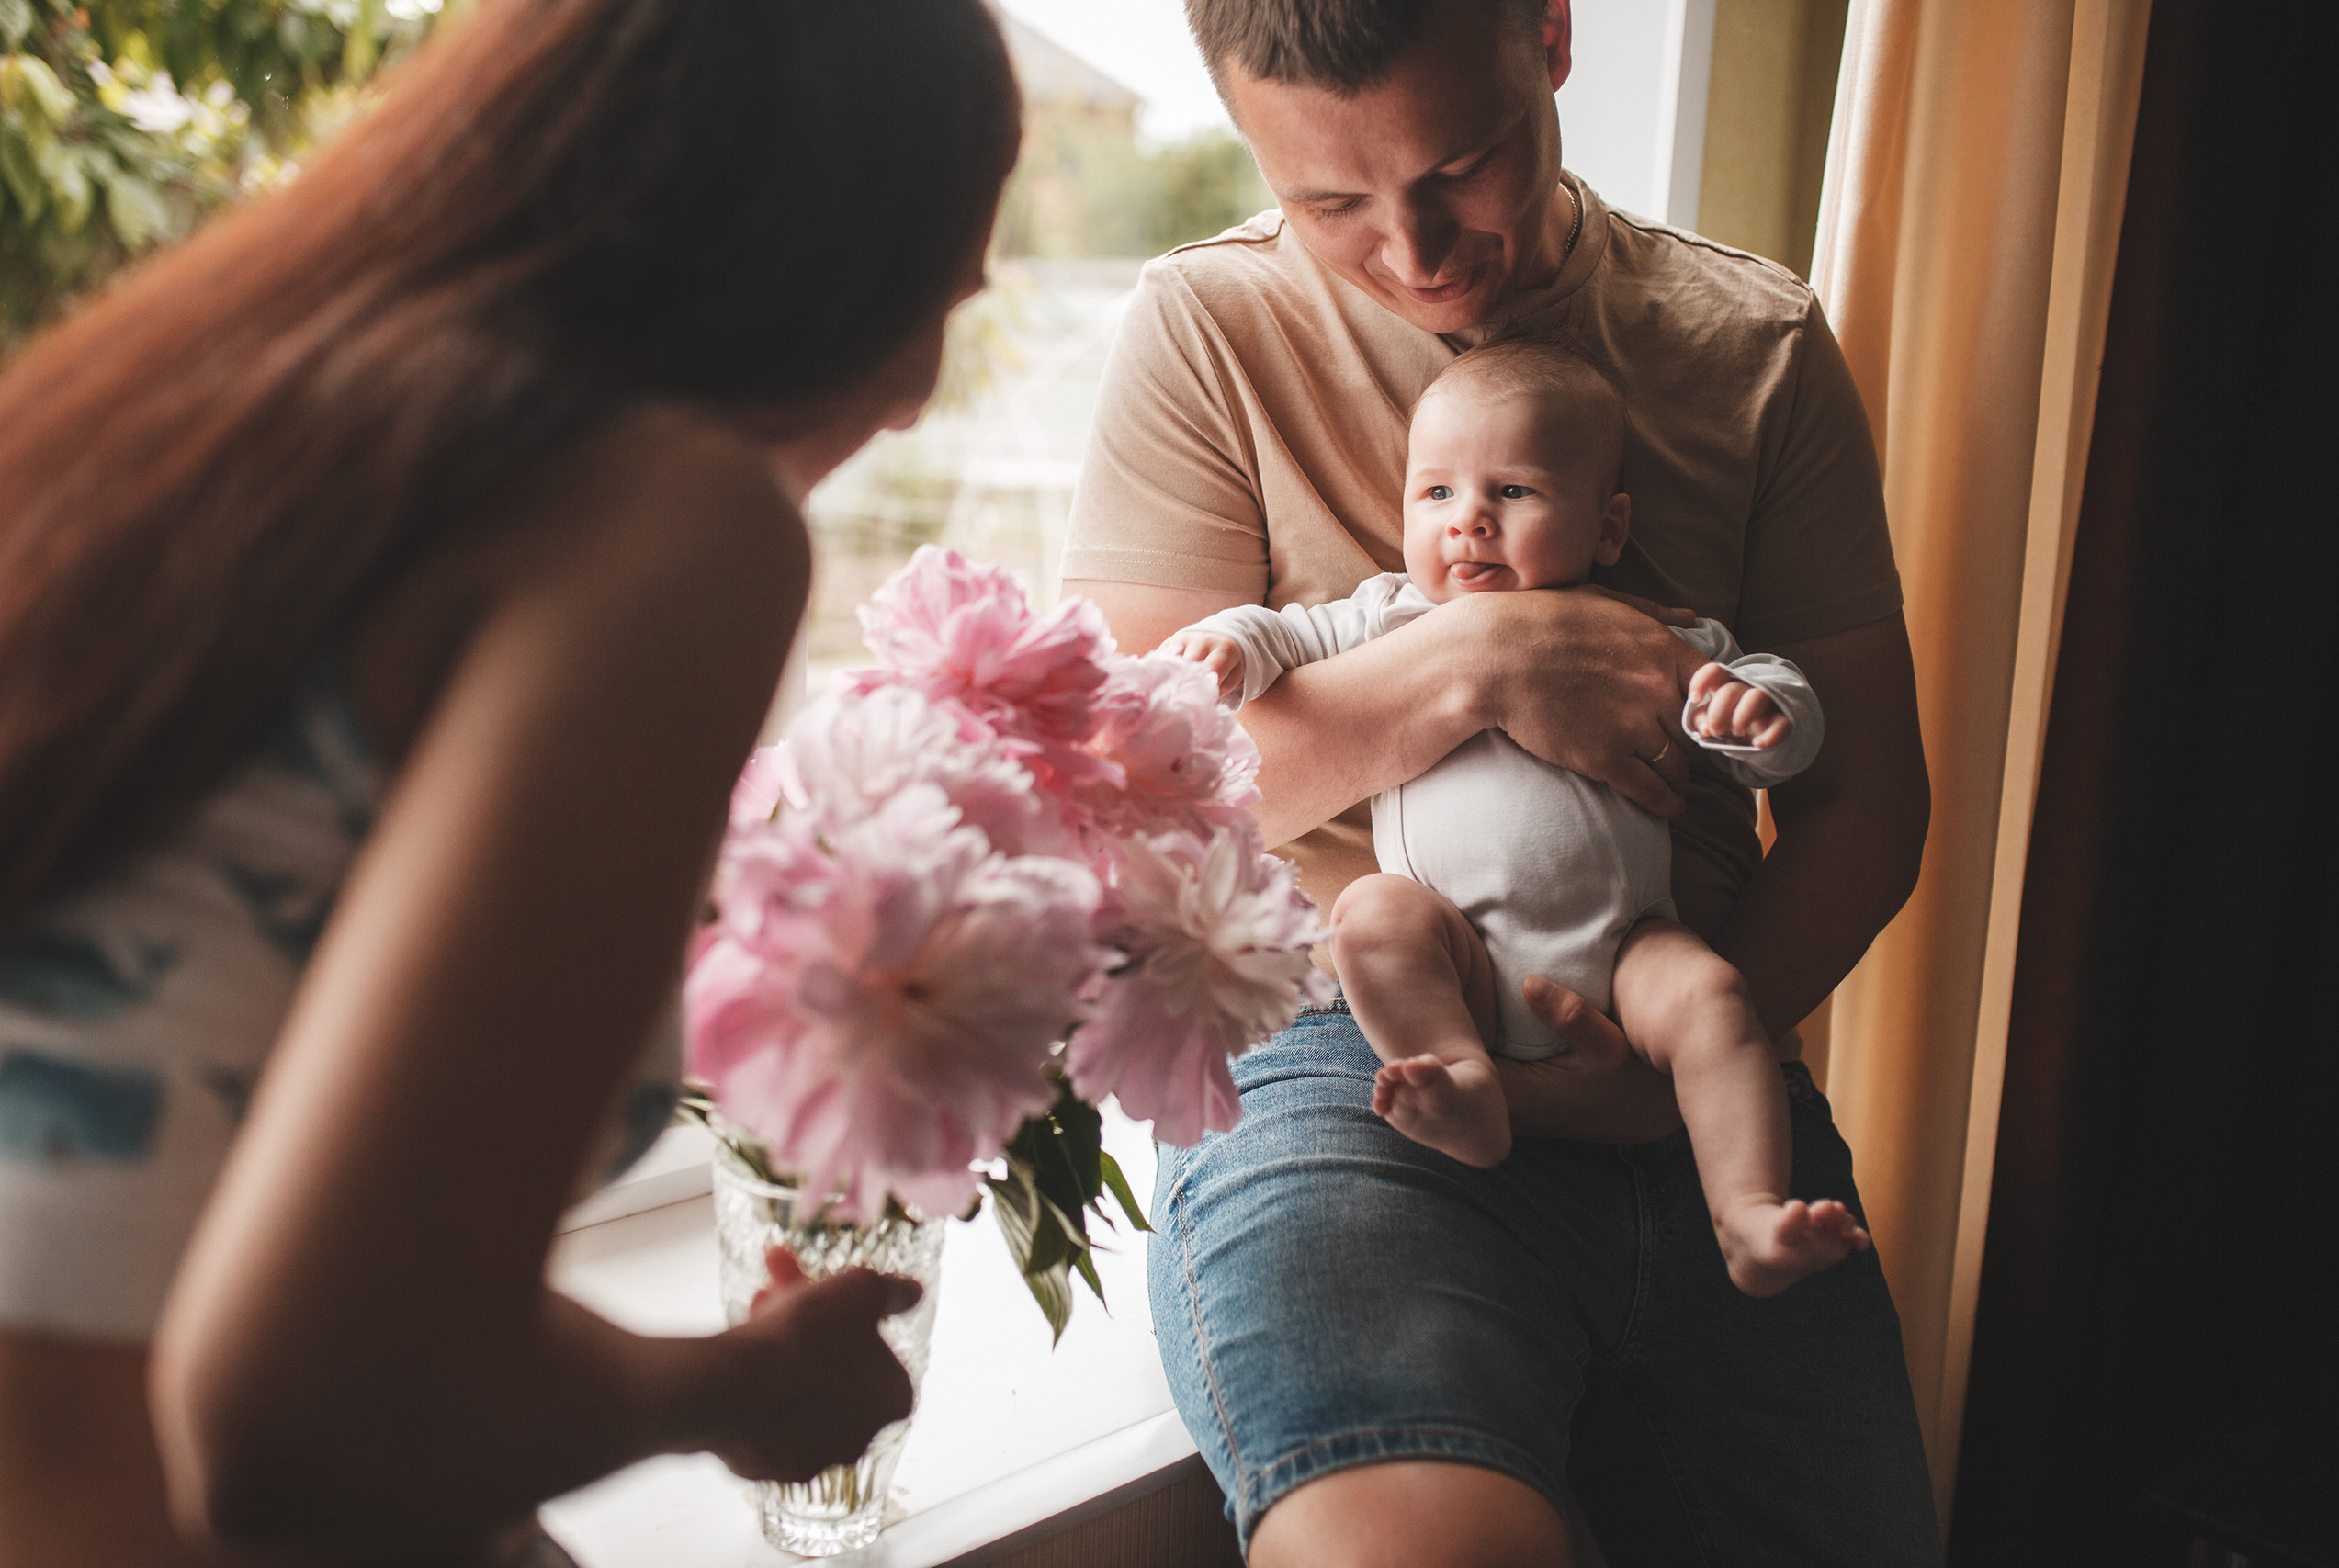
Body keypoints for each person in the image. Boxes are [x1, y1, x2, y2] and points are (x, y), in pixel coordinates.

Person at [0, 1, 1019, 1562]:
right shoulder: (669, 518)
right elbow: (303, 1420)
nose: (919, 391)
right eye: (927, 298)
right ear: (805, 254)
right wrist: (735, 1388)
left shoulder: (218, 421)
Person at [1059, 0, 1944, 1562]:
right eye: (1333, 201)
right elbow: (1138, 801)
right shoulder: (1208, 330)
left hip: (1695, 1029)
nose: (1414, 251)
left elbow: (1863, 802)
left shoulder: (1754, 347)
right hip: (1355, 1054)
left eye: (1462, 168)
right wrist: (1484, 663)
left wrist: (1677, 1049)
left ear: (1549, 39)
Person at [1161, 339, 1871, 1298]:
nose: (1468, 525)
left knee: (1715, 1003)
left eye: (1513, 493)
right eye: (1437, 495)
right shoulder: (1385, 617)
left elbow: (1768, 700)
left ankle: (1746, 1213)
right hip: (1451, 952)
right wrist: (1229, 646)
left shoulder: (1641, 634)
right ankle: (1462, 1083)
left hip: (1629, 951)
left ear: (1608, 525)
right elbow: (1284, 635)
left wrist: (1756, 718)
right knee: (1373, 915)